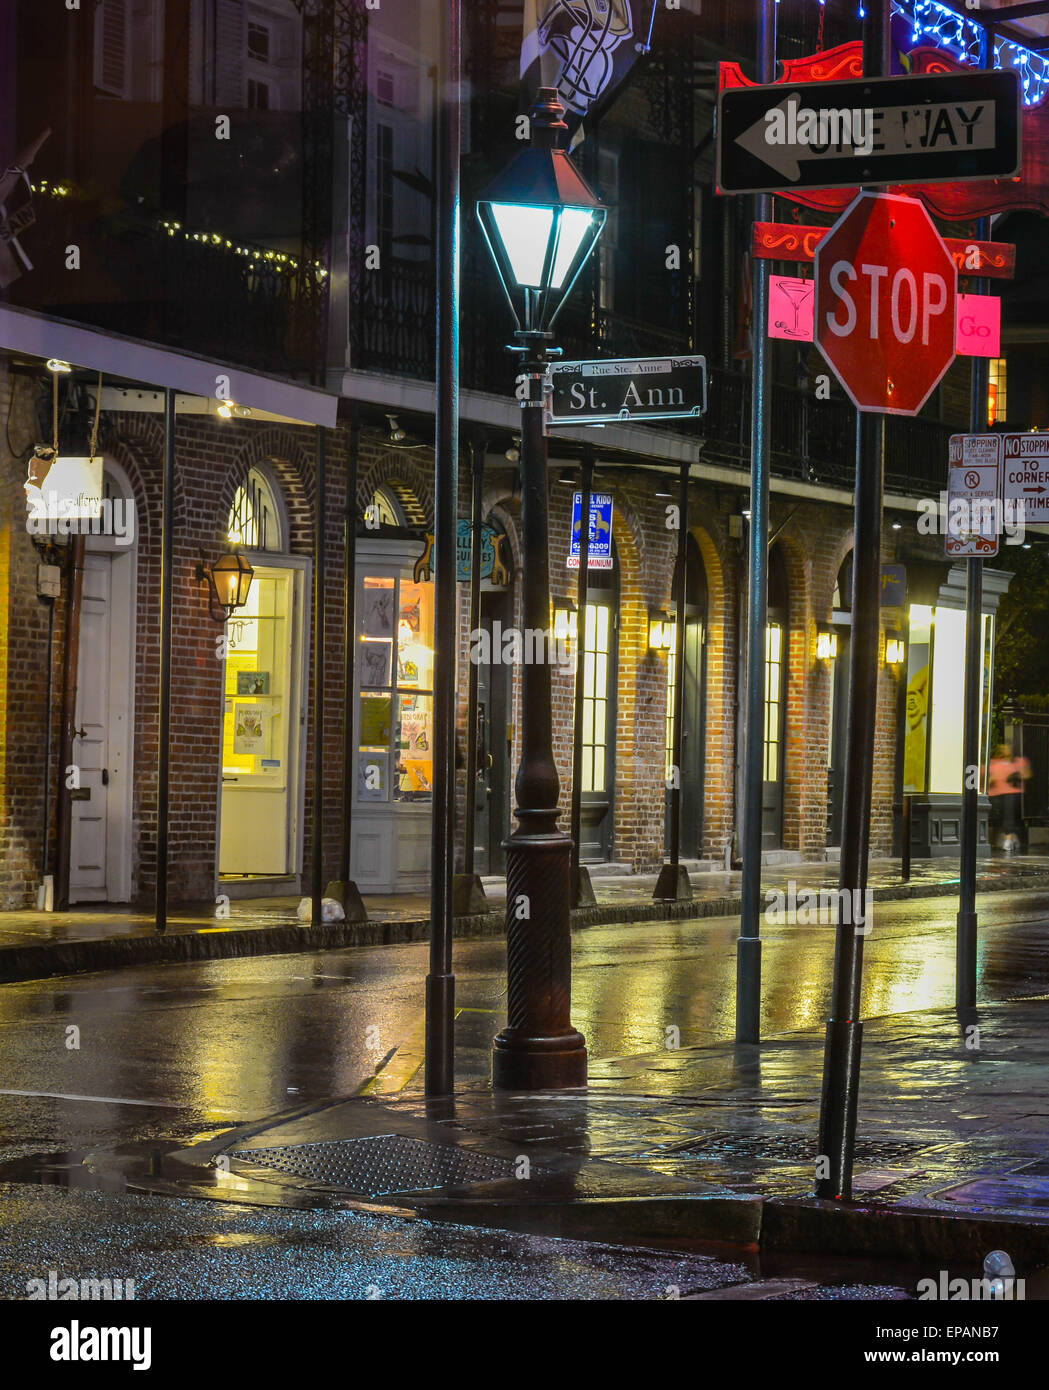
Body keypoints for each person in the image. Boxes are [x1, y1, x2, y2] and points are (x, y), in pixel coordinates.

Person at [988, 743, 1031, 852]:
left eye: (1007, 748)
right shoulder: (994, 763)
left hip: (1012, 793)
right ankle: (1010, 839)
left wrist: (1017, 774)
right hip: (996, 794)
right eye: (1002, 749)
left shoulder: (1018, 762)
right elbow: (988, 778)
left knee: (1009, 817)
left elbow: (1027, 774)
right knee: (1001, 818)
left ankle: (1009, 840)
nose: (1005, 750)